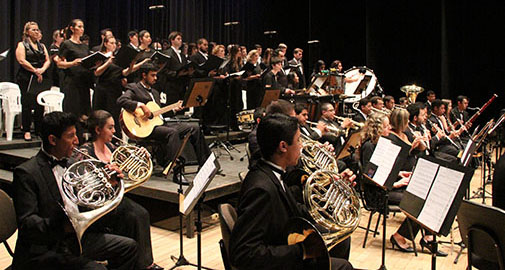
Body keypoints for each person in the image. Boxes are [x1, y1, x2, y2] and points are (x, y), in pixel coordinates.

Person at [12, 111, 137, 270]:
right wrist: (62, 225)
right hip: (46, 248)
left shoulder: (72, 166)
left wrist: (108, 185)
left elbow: (86, 202)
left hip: (75, 239)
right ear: (52, 140)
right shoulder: (27, 173)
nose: (77, 141)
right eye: (71, 136)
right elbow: (27, 225)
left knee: (129, 247)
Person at [229, 113, 354, 270]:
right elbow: (243, 254)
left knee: (341, 240)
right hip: (279, 261)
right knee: (344, 267)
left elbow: (295, 211)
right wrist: (301, 250)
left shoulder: (273, 173)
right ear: (283, 146)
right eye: (298, 140)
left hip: (283, 240)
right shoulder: (261, 189)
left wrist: (331, 191)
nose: (301, 145)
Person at [72, 110, 163, 270]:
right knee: (133, 215)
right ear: (98, 130)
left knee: (140, 213)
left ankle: (143, 263)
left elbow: (127, 173)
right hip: (98, 203)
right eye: (110, 128)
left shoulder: (112, 146)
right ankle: (140, 263)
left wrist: (141, 157)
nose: (114, 131)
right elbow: (84, 186)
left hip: (115, 197)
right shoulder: (85, 152)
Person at [117, 64, 210, 184]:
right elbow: (121, 100)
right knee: (173, 132)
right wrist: (141, 105)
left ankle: (205, 163)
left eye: (156, 75)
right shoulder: (134, 88)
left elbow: (158, 116)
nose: (155, 78)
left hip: (159, 125)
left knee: (194, 127)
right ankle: (175, 170)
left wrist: (173, 110)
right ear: (144, 75)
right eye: (153, 75)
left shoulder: (155, 92)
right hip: (145, 129)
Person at [93, 35, 148, 137]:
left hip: (115, 90)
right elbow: (97, 72)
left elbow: (125, 73)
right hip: (103, 90)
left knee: (114, 117)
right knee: (101, 118)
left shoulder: (117, 58)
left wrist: (134, 64)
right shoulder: (101, 56)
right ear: (105, 44)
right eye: (111, 43)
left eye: (115, 43)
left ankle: (114, 140)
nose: (114, 45)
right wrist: (108, 61)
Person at [15, 21, 51, 141]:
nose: (37, 32)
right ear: (27, 32)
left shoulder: (42, 46)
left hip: (40, 76)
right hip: (26, 76)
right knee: (27, 103)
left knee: (39, 104)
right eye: (33, 30)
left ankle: (38, 130)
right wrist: (35, 70)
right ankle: (26, 130)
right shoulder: (22, 44)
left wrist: (42, 70)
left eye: (37, 30)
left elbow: (47, 60)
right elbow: (21, 60)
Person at [55, 19, 93, 127]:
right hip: (72, 81)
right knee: (73, 111)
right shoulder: (67, 44)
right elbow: (59, 63)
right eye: (79, 27)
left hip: (84, 81)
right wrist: (72, 63)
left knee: (84, 113)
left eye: (83, 27)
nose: (82, 29)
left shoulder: (84, 46)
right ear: (72, 28)